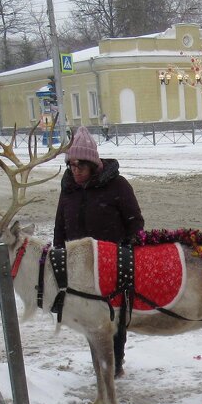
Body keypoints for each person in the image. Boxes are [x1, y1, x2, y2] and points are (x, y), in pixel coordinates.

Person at [54, 126, 144, 377]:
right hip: (80, 266)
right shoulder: (69, 189)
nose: (76, 170)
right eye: (71, 165)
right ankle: (99, 360)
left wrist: (126, 249)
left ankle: (115, 364)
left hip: (112, 264)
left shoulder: (117, 186)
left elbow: (135, 222)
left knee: (113, 317)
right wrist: (59, 253)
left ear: (93, 165)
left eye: (80, 165)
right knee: (90, 317)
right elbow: (60, 224)